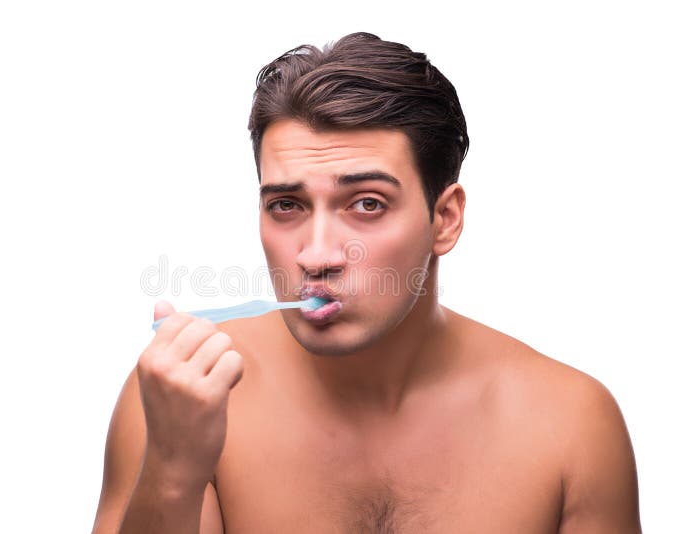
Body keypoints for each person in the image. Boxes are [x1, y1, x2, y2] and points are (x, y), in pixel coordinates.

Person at [91, 32, 641, 533]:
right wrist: (171, 469)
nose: (317, 254)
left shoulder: (570, 426)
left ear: (443, 219)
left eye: (367, 204)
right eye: (286, 205)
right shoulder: (183, 399)